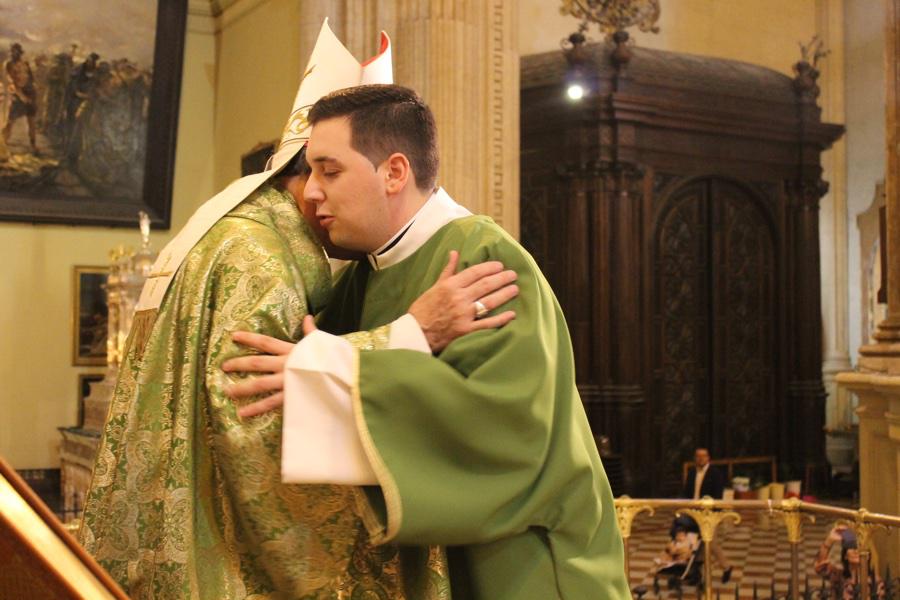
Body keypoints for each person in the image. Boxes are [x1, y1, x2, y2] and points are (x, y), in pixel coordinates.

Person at [79, 23, 516, 599]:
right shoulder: (260, 260)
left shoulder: (231, 236)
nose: (321, 195)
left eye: (333, 173)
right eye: (321, 174)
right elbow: (255, 423)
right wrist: (408, 339)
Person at [226, 84, 630, 599]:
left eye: (329, 171)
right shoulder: (361, 277)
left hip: (521, 563)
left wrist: (339, 372)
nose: (310, 193)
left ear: (394, 172)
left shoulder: (483, 257)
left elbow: (504, 425)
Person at [680, 447, 733, 583]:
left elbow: (717, 496)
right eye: (698, 456)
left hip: (709, 514)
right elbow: (687, 492)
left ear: (708, 458)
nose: (700, 459)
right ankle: (697, 574)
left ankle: (726, 567)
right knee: (695, 543)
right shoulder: (692, 472)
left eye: (703, 456)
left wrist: (711, 514)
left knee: (711, 543)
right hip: (694, 513)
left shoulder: (715, 474)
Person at [3, 43, 39, 154]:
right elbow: (11, 82)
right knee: (10, 121)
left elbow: (31, 79)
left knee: (32, 121)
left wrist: (33, 91)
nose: (15, 53)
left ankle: (33, 145)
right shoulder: (8, 64)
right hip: (18, 96)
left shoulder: (25, 63)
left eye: (17, 51)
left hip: (30, 93)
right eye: (13, 51)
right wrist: (21, 96)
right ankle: (3, 145)